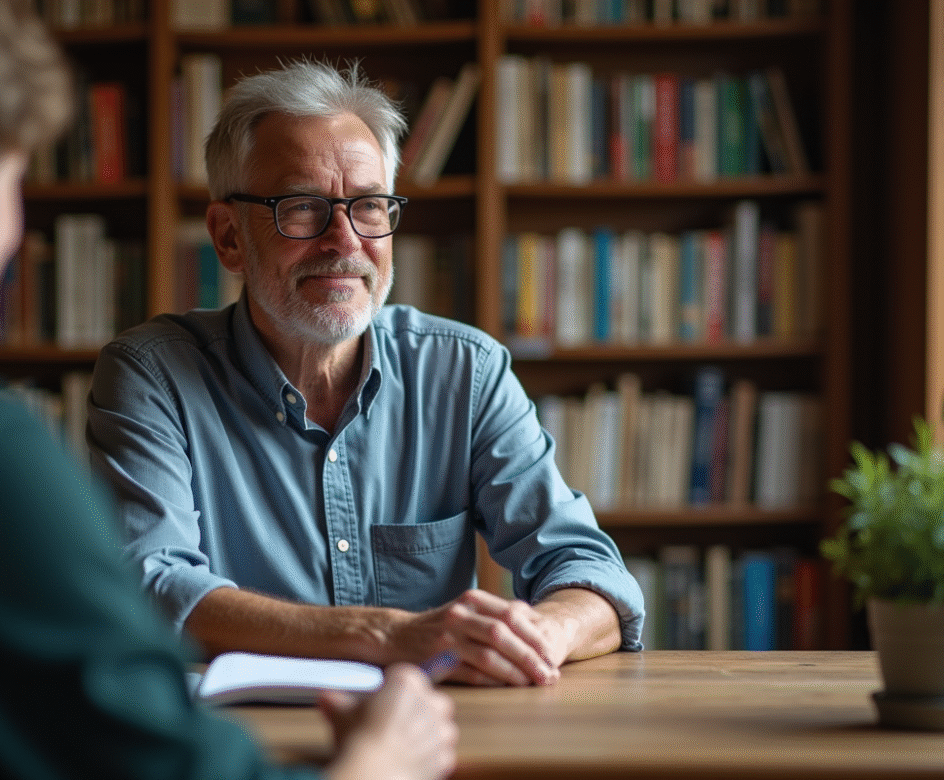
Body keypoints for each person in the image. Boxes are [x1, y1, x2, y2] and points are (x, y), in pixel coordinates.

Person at [0, 3, 456, 780]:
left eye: (368, 208)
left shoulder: (461, 367)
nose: (12, 232)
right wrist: (385, 758)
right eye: (16, 176)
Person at [87, 59, 646, 688]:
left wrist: (536, 635)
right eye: (302, 208)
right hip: (238, 746)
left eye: (370, 206)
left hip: (431, 738)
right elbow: (150, 584)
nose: (345, 241)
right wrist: (385, 636)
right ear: (229, 237)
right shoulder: (152, 376)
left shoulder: (465, 371)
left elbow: (589, 570)